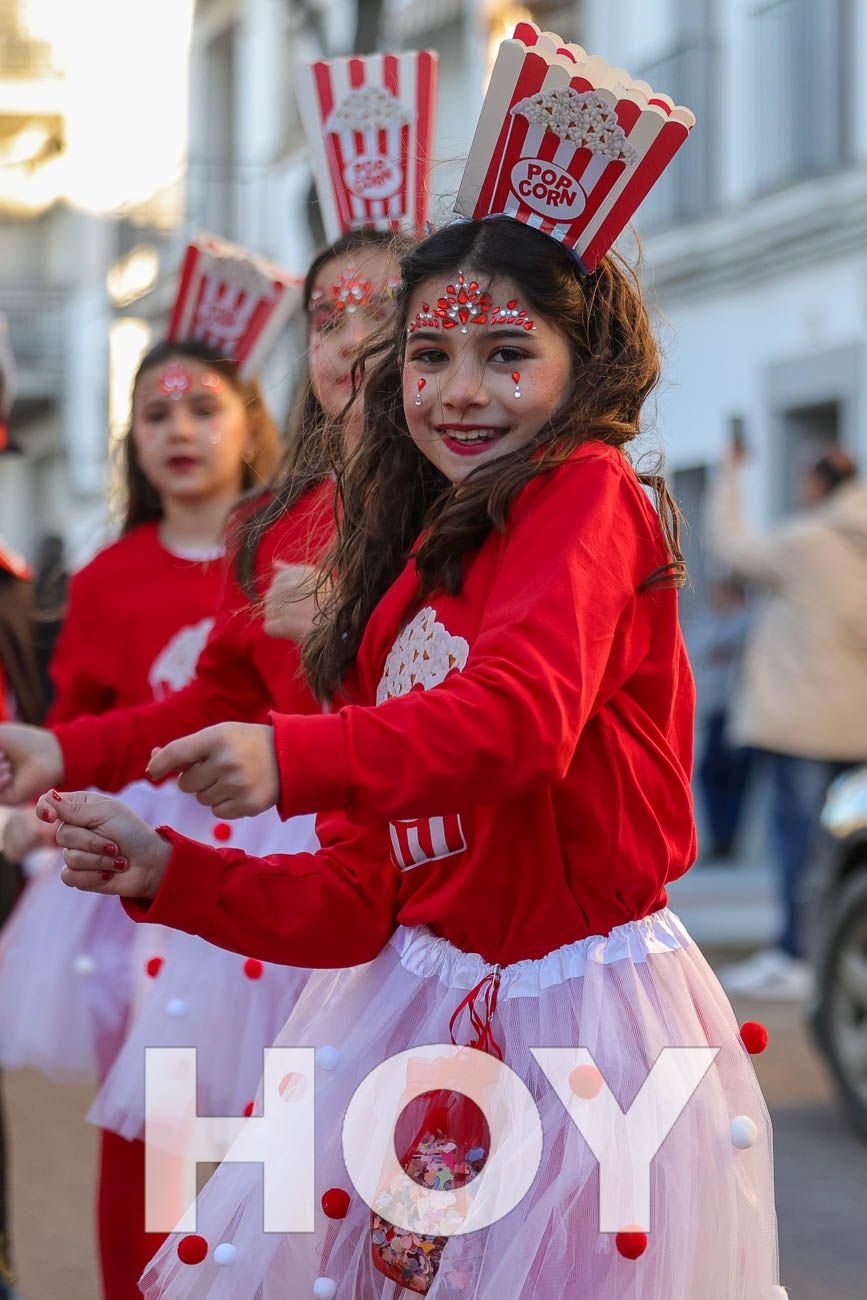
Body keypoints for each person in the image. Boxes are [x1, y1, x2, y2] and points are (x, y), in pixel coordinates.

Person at [43, 214, 780, 1298]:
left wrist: (297, 757)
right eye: (430, 355)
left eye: (508, 353)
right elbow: (362, 898)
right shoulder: (403, 572)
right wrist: (171, 873)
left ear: (585, 364)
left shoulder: (585, 490)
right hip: (415, 1023)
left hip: (584, 1037)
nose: (460, 390)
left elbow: (521, 719)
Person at [0, 335, 281, 1299]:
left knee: (284, 1109)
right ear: (133, 439)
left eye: (204, 408)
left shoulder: (294, 557)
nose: (180, 431)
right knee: (149, 1112)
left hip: (275, 841)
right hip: (140, 869)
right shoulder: (112, 573)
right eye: (156, 415)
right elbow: (74, 721)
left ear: (252, 426)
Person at [708, 443, 867, 999]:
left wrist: (730, 478)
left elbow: (730, 547)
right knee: (852, 851)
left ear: (820, 485)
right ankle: (844, 949)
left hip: (802, 724)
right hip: (856, 726)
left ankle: (798, 955)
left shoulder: (808, 542)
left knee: (798, 845)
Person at [694, 576, 754, 861]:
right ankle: (719, 838)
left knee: (733, 777)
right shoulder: (709, 621)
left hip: (738, 710)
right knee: (710, 774)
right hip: (713, 708)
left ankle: (727, 840)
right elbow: (696, 652)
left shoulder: (746, 623)